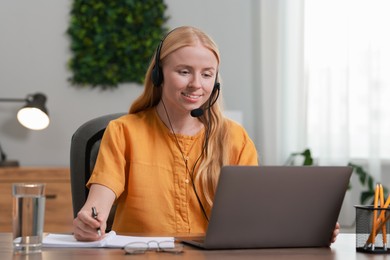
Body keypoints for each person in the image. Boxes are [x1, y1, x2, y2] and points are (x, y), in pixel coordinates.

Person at [72, 26, 340, 243]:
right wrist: (89, 220)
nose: (196, 85)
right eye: (184, 71)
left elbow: (257, 214)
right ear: (158, 75)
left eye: (207, 74)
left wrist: (308, 229)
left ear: (216, 81)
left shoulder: (235, 138)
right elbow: (98, 204)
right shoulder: (124, 132)